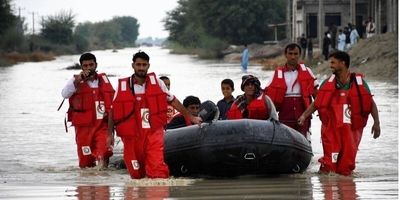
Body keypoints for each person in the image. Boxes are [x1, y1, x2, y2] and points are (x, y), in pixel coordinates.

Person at [108, 51, 202, 179]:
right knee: (136, 174)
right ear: (133, 65)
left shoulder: (158, 83)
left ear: (148, 66)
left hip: (153, 132)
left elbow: (173, 101)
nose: (141, 68)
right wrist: (110, 135)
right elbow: (113, 111)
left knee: (157, 171)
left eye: (144, 65)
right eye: (138, 64)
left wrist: (191, 117)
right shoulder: (122, 86)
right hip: (132, 136)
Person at [298, 51, 381, 176]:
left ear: (343, 63)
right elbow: (317, 103)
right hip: (331, 129)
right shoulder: (327, 83)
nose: (330, 65)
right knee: (329, 165)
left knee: (346, 167)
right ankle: (328, 187)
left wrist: (377, 123)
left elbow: (371, 104)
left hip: (351, 130)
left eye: (333, 62)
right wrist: (304, 115)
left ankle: (346, 190)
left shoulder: (359, 84)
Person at [61, 53, 115, 169]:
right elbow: (64, 94)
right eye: (85, 65)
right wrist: (77, 80)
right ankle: (88, 184)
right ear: (81, 67)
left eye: (91, 65)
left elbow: (113, 105)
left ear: (96, 65)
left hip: (102, 126)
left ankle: (103, 183)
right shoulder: (75, 81)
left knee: (104, 152)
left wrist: (111, 132)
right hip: (83, 129)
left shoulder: (104, 81)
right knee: (85, 163)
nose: (89, 68)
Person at [264, 43, 318, 140]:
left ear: (299, 55)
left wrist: (310, 114)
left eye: (296, 54)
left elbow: (318, 97)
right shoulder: (276, 74)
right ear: (286, 55)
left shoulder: (308, 71)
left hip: (303, 115)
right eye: (290, 53)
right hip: (284, 117)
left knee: (305, 142)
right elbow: (266, 99)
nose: (293, 57)